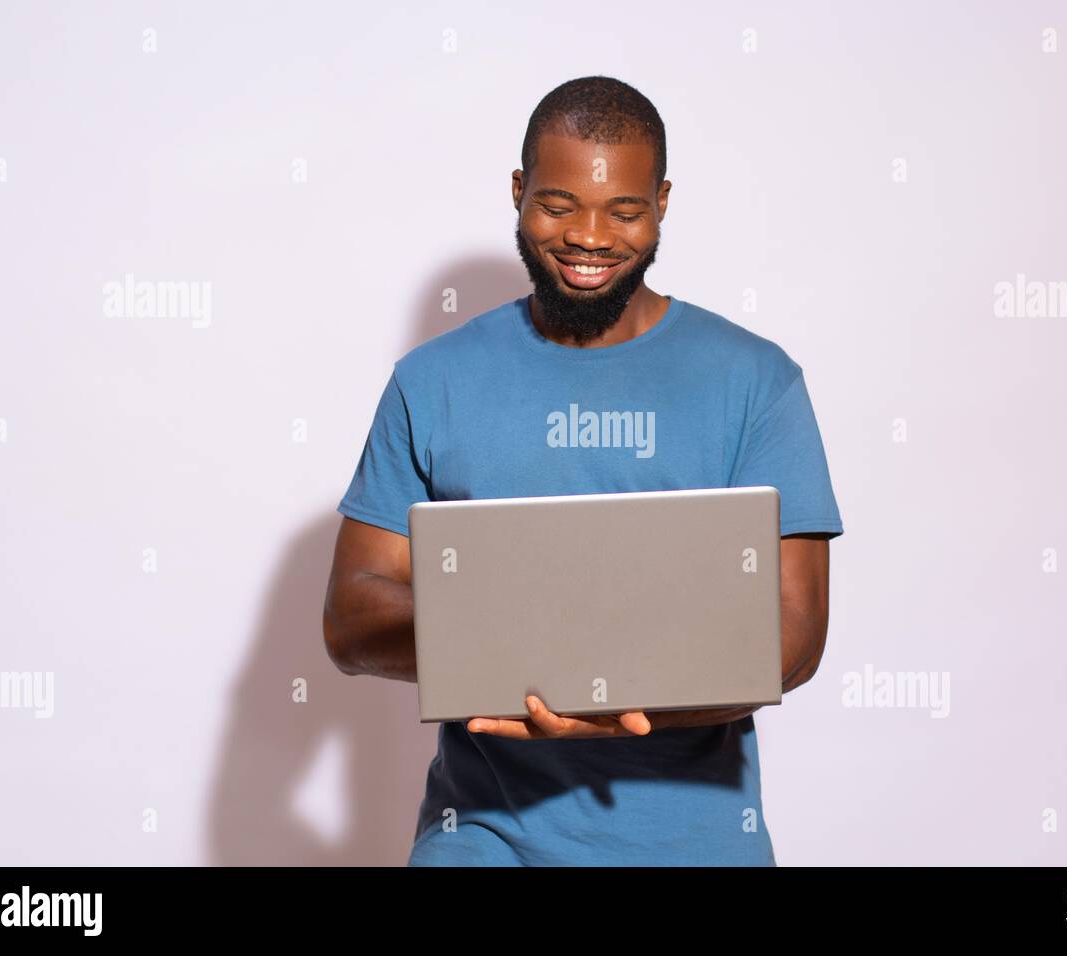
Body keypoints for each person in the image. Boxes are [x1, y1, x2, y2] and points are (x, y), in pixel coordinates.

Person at [322, 76, 843, 866]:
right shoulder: (431, 382)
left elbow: (794, 635)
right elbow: (352, 621)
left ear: (662, 202)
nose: (590, 237)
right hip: (486, 839)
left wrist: (626, 701)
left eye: (625, 211)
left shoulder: (755, 381)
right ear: (518, 191)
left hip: (695, 843)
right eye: (559, 205)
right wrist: (531, 648)